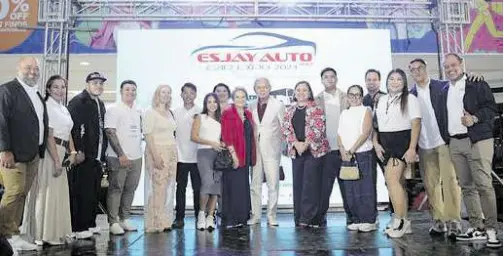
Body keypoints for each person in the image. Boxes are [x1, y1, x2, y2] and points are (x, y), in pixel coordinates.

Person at [21, 75, 89, 245]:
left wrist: (72, 151)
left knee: (58, 194)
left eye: (62, 87)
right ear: (49, 89)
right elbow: (49, 135)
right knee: (46, 193)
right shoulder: (46, 107)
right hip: (50, 154)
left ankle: (56, 232)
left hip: (63, 151)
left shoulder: (63, 108)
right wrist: (57, 161)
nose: (60, 90)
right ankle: (41, 234)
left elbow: (68, 132)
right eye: (56, 87)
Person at [443, 53, 501, 247]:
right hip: (455, 143)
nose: (451, 69)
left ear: (461, 64)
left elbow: (492, 109)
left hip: (477, 140)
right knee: (467, 186)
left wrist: (474, 118)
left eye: (454, 65)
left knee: (484, 185)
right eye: (447, 66)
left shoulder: (477, 83)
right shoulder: (444, 90)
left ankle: (492, 229)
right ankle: (477, 227)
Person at [408, 58, 462, 238]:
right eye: (413, 70)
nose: (417, 72)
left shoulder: (443, 87)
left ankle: (454, 220)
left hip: (443, 141)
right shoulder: (410, 95)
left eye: (420, 68)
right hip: (424, 145)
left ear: (426, 69)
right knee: (431, 185)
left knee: (450, 182)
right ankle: (439, 221)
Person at [0, 56, 48, 252]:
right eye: (28, 68)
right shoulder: (7, 90)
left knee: (21, 194)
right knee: (13, 192)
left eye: (36, 69)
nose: (33, 72)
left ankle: (13, 233)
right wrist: (4, 150)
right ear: (18, 68)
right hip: (13, 154)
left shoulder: (35, 94)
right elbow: (1, 122)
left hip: (32, 154)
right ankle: (4, 236)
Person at [373, 69, 421, 238]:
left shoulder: (410, 99)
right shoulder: (382, 99)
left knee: (391, 180)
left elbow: (416, 123)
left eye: (398, 79)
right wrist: (376, 143)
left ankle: (401, 221)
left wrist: (412, 147)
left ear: (404, 82)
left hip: (402, 141)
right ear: (386, 82)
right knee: (397, 183)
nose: (394, 82)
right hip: (386, 142)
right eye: (391, 79)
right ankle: (401, 219)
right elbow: (376, 125)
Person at [282, 81, 329, 227]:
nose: (301, 93)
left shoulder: (316, 109)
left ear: (309, 92)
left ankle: (309, 218)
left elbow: (318, 129)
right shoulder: (289, 110)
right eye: (298, 90)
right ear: (294, 93)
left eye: (304, 90)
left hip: (314, 151)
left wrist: (306, 144)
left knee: (311, 185)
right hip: (297, 151)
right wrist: (296, 144)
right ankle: (299, 217)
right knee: (298, 185)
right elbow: (285, 128)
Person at [68, 72, 108, 236]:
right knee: (80, 191)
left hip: (96, 156)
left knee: (93, 191)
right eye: (95, 82)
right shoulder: (78, 102)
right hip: (83, 155)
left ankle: (90, 222)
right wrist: (77, 150)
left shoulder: (100, 103)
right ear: (87, 84)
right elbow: (72, 128)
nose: (98, 85)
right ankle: (79, 227)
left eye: (100, 83)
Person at [104, 80, 143, 235]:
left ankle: (124, 218)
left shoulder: (138, 111)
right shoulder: (113, 110)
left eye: (133, 90)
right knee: (116, 188)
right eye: (127, 89)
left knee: (130, 188)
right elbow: (110, 132)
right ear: (121, 92)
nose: (130, 92)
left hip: (136, 157)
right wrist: (121, 154)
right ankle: (113, 222)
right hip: (118, 157)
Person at [337, 85, 377, 232]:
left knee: (365, 187)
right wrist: (342, 150)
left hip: (363, 153)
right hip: (346, 156)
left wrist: (352, 150)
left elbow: (366, 132)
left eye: (358, 95)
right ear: (347, 97)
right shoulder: (344, 113)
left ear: (361, 97)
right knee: (350, 189)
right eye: (351, 95)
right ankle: (355, 218)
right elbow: (339, 134)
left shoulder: (366, 110)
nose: (354, 98)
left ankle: (369, 219)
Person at [247, 78, 285, 227]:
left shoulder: (278, 105)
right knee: (255, 184)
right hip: (255, 150)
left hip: (272, 150)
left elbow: (284, 127)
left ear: (270, 88)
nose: (262, 90)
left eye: (265, 87)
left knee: (273, 184)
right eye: (259, 87)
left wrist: (281, 148)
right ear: (255, 89)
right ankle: (255, 215)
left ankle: (271, 215)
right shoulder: (250, 106)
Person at [314, 68, 347, 227]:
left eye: (332, 76)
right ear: (322, 80)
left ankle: (352, 216)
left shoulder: (346, 97)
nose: (329, 79)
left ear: (336, 78)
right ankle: (320, 217)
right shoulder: (316, 99)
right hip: (325, 150)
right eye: (325, 77)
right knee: (324, 187)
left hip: (344, 149)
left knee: (347, 185)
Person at [144, 85, 178, 233]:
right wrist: (156, 156)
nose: (166, 95)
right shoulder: (150, 113)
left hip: (171, 151)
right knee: (158, 187)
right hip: (158, 150)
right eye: (163, 92)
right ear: (157, 94)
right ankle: (154, 221)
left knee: (168, 187)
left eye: (168, 92)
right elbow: (148, 135)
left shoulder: (170, 113)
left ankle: (165, 220)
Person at [220, 87, 256, 228]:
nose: (240, 100)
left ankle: (242, 217)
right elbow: (227, 137)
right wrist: (234, 156)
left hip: (246, 156)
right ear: (232, 99)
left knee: (242, 187)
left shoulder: (248, 114)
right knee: (233, 187)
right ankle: (231, 219)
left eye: (243, 97)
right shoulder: (228, 113)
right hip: (234, 156)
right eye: (237, 97)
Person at [191, 93, 223, 231]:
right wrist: (211, 143)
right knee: (207, 182)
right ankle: (201, 215)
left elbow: (223, 138)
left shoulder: (221, 119)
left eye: (214, 101)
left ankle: (211, 216)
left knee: (216, 185)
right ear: (205, 103)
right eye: (209, 101)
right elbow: (194, 137)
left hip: (218, 155)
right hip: (204, 153)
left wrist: (221, 143)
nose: (212, 104)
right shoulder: (200, 117)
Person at [173, 83, 201, 229]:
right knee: (180, 188)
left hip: (197, 157)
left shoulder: (201, 112)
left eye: (192, 93)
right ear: (181, 94)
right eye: (186, 92)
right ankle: (179, 218)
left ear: (195, 95)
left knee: (198, 189)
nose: (189, 95)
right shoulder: (175, 112)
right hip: (180, 157)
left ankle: (198, 217)